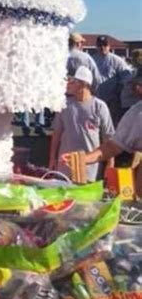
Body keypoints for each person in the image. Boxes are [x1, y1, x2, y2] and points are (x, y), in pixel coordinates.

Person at [61, 68, 142, 196]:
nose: (136, 88)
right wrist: (83, 159)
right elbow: (113, 146)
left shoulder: (99, 106)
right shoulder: (136, 114)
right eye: (137, 84)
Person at [49, 66, 114, 182]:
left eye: (73, 81)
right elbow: (57, 133)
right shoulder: (64, 105)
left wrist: (110, 165)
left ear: (84, 84)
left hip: (89, 169)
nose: (68, 84)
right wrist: (52, 159)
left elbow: (108, 138)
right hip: (64, 167)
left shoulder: (99, 106)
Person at [93, 35, 131, 120]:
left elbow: (126, 78)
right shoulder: (92, 60)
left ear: (109, 46)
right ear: (96, 46)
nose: (102, 47)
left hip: (112, 99)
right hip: (96, 97)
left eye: (105, 45)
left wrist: (117, 92)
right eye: (100, 45)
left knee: (111, 121)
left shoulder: (117, 60)